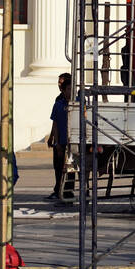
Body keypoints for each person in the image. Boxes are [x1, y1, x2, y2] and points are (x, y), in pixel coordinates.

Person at [47, 73, 73, 201]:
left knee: (71, 168)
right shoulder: (58, 102)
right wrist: (55, 140)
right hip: (61, 141)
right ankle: (59, 191)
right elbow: (55, 123)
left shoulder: (78, 102)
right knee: (58, 167)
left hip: (73, 141)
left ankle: (68, 192)